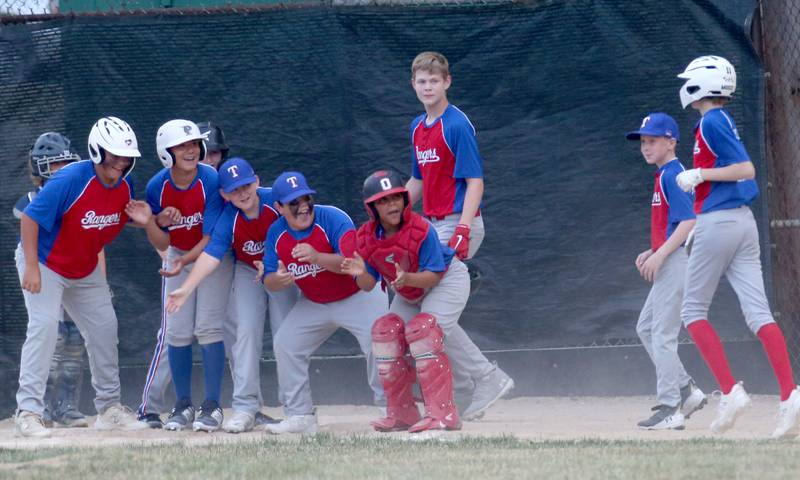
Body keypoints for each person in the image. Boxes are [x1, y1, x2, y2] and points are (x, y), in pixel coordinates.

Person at [675, 55, 800, 438]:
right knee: (759, 313)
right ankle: (789, 396)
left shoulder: (710, 121)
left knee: (693, 312)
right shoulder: (716, 120)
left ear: (703, 84)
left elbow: (745, 169)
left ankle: (730, 392)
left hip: (720, 221)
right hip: (740, 223)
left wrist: (699, 175)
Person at [14, 116, 149, 437]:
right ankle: (29, 411)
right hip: (45, 261)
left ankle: (109, 408)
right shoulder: (70, 179)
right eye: (114, 154)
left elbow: (103, 221)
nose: (121, 162)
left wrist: (146, 220)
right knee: (44, 327)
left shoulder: (124, 186)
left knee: (105, 328)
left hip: (83, 267)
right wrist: (31, 267)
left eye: (126, 156)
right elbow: (30, 220)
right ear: (97, 150)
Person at [405, 50, 513, 419]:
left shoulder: (456, 124)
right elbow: (418, 180)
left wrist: (464, 228)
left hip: (456, 222)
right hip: (431, 225)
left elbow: (475, 182)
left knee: (432, 317)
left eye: (434, 80)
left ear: (447, 82)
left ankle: (484, 378)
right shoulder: (418, 127)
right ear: (413, 84)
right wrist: (387, 212)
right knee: (427, 312)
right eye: (422, 81)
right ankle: (475, 382)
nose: (428, 86)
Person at [343, 169, 495, 432]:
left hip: (447, 279)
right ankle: (403, 413)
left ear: (405, 199)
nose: (391, 205)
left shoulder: (421, 228)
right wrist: (360, 274)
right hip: (409, 287)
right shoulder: (366, 237)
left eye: (396, 198)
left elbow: (434, 276)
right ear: (372, 208)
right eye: (383, 201)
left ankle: (443, 414)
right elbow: (368, 285)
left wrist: (407, 279)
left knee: (424, 332)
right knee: (385, 333)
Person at [165, 157, 297, 433]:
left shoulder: (277, 200)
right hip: (247, 270)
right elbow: (212, 256)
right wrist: (186, 289)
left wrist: (280, 262)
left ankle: (296, 408)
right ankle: (245, 407)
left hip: (281, 270)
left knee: (287, 334)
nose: (243, 193)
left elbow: (302, 228)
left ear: (257, 181)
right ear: (224, 194)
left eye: (246, 185)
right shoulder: (229, 216)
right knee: (245, 333)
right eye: (234, 189)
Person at [261, 171, 386, 435]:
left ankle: (391, 407)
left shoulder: (333, 218)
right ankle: (300, 415)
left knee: (380, 342)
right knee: (286, 343)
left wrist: (317, 257)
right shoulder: (276, 233)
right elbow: (269, 279)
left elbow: (351, 264)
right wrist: (278, 280)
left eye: (306, 197)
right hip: (315, 302)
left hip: (358, 295)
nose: (303, 205)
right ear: (279, 208)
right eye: (293, 202)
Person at [137, 121, 232, 429]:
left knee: (208, 327)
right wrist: (157, 222)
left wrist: (181, 262)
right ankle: (182, 406)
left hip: (210, 257)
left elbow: (209, 238)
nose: (191, 150)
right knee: (177, 331)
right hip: (177, 255)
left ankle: (212, 405)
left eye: (193, 144)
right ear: (167, 153)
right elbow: (161, 242)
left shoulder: (211, 179)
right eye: (182, 146)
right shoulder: (157, 186)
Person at [625, 113, 707, 430]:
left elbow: (689, 222)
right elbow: (674, 224)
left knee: (662, 334)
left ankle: (671, 407)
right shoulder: (663, 175)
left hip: (678, 262)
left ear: (671, 142)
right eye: (643, 141)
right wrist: (654, 249)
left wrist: (660, 255)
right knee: (646, 329)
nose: (646, 146)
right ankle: (687, 390)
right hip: (669, 258)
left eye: (653, 140)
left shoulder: (675, 174)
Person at [14, 132, 88, 429]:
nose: (62, 169)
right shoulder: (31, 200)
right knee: (50, 334)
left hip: (74, 270)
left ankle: (66, 405)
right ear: (40, 167)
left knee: (73, 337)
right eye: (55, 164)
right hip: (43, 269)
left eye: (66, 163)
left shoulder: (79, 197)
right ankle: (39, 405)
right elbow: (29, 225)